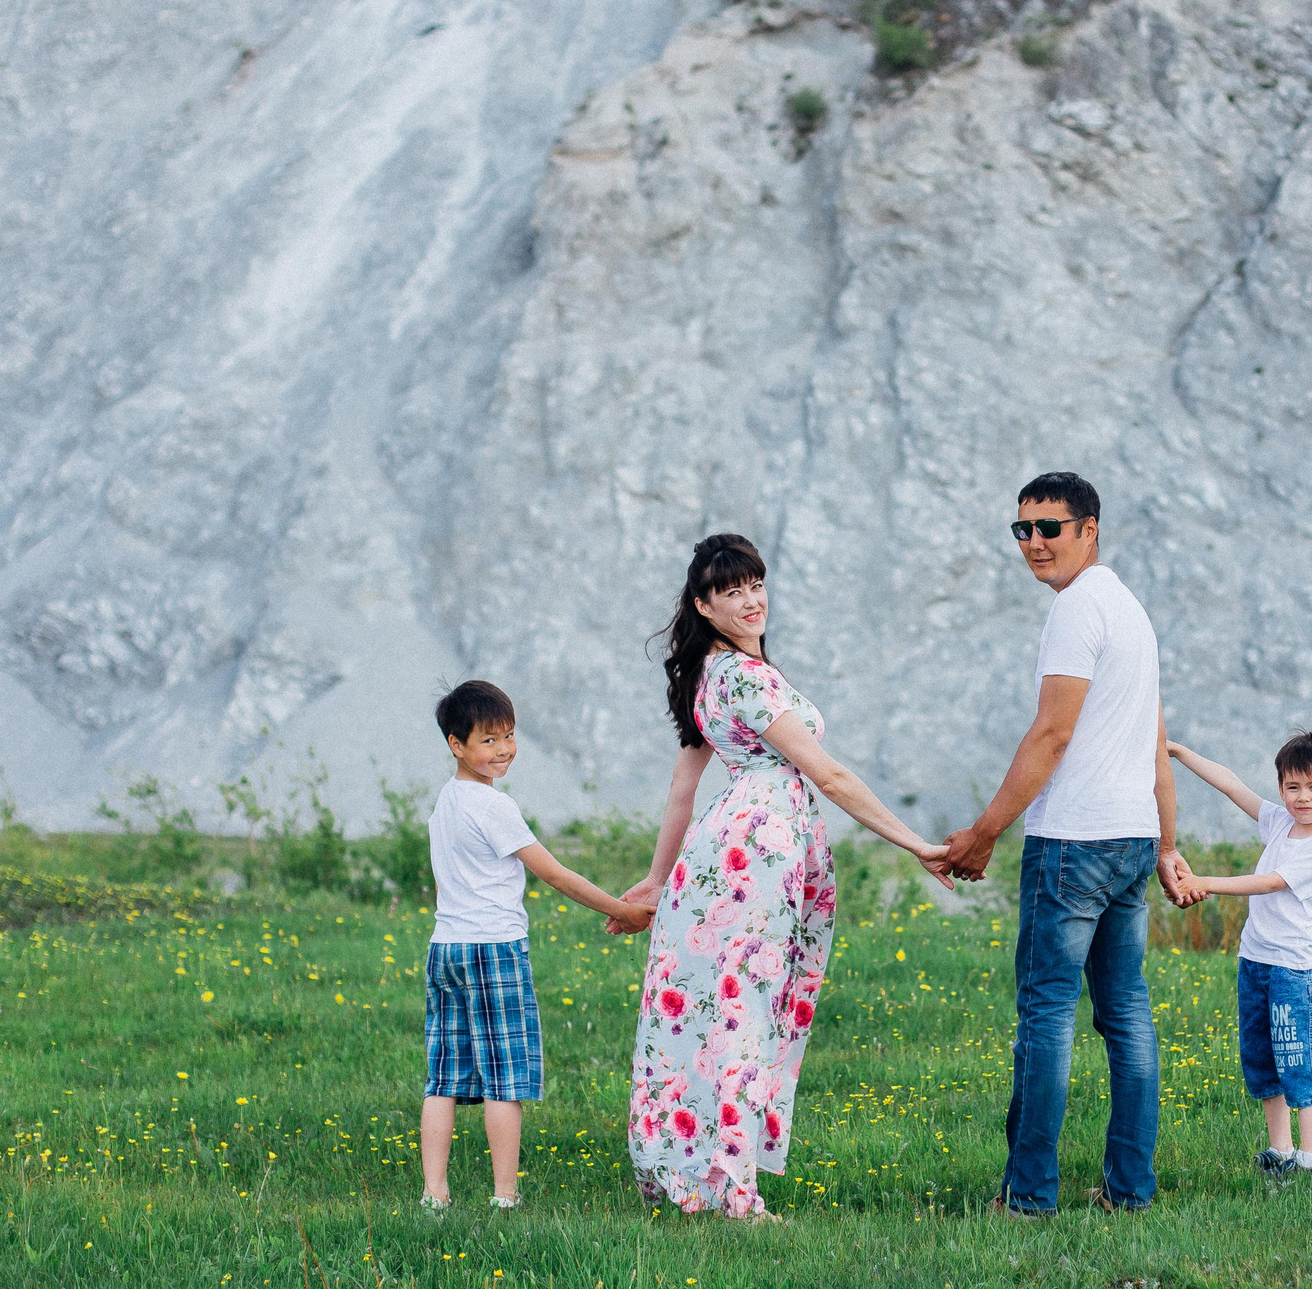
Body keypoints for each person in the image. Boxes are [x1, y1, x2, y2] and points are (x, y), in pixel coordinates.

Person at [622, 533, 951, 1220]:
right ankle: (735, 1191)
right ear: (703, 605)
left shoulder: (710, 673)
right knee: (745, 1011)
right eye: (732, 591)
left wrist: (657, 879)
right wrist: (917, 844)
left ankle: (710, 1169)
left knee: (720, 1009)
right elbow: (829, 775)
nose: (751, 600)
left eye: (756, 585)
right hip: (755, 858)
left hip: (732, 848)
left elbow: (684, 791)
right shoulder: (745, 678)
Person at [935, 472, 1190, 1216]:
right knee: (1127, 1013)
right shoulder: (1132, 611)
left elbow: (1053, 733)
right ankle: (1130, 1190)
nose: (1035, 542)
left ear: (1089, 530)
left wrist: (984, 833)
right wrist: (1165, 844)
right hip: (1131, 836)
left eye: (1050, 527)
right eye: (1023, 529)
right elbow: (1155, 743)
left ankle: (1028, 1196)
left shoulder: (1076, 609)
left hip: (1074, 840)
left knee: (1047, 1014)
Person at [420, 679, 652, 1213]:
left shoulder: (447, 800)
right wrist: (621, 910)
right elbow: (555, 874)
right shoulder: (493, 807)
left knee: (443, 1078)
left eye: (509, 735)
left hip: (446, 948)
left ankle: (435, 1195)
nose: (503, 749)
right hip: (494, 949)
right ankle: (505, 1197)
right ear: (456, 745)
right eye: (487, 740)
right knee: (505, 1080)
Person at [1166, 728, 1312, 1179]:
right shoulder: (1280, 823)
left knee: (1298, 1057)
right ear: (1281, 789)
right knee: (1262, 1058)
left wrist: (1203, 882)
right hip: (1255, 961)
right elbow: (1231, 785)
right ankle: (1280, 1150)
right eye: (1292, 787)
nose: (1303, 798)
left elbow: (1269, 883)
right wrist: (1178, 750)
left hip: (1291, 968)